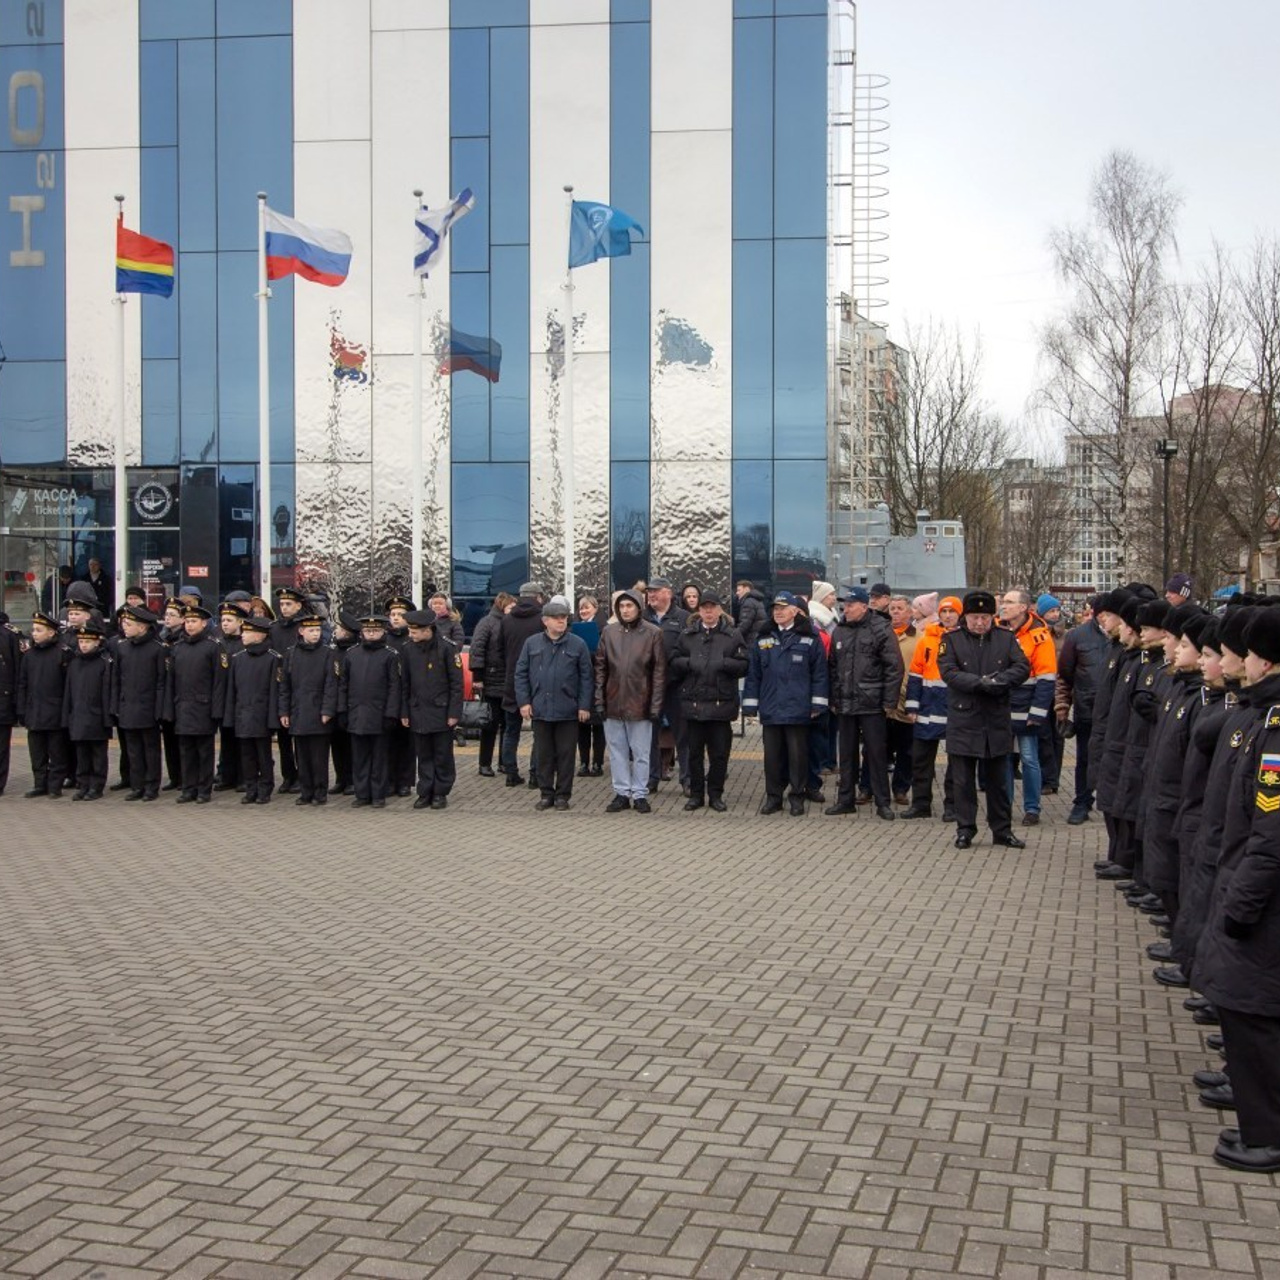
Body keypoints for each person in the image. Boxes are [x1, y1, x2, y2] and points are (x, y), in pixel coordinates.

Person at [1196, 607, 1280, 1173]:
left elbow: (1271, 834)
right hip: (1244, 883)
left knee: (1251, 1010)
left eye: (1245, 652)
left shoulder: (1275, 730)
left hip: (1260, 899)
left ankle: (1268, 1134)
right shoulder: (1262, 716)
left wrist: (1239, 904)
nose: (1236, 660)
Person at [937, 591, 1030, 849]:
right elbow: (948, 671)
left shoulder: (1006, 639)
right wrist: (979, 683)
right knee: (963, 782)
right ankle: (965, 829)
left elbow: (1022, 667)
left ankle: (1002, 830)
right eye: (975, 617)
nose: (980, 622)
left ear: (993, 617)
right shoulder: (951, 640)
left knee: (998, 782)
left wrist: (999, 681)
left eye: (985, 617)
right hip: (964, 718)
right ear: (965, 617)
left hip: (995, 719)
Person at [743, 591, 829, 816]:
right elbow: (754, 674)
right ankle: (773, 797)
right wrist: (750, 706)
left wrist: (817, 705)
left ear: (794, 611)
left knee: (798, 757)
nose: (778, 612)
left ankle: (797, 797)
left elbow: (820, 675)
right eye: (775, 609)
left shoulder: (810, 638)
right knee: (772, 758)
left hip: (798, 709)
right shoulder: (763, 638)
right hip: (771, 709)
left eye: (783, 608)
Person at [825, 586, 902, 819]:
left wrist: (889, 702)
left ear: (863, 606)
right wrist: (833, 698)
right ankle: (845, 799)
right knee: (846, 754)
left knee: (876, 754)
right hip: (845, 703)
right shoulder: (840, 630)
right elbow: (832, 668)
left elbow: (894, 667)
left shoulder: (880, 629)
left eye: (850, 605)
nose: (845, 609)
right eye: (844, 605)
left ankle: (882, 802)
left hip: (872, 703)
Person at [672, 591, 749, 812]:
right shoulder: (687, 635)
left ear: (719, 610)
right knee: (694, 754)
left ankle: (716, 794)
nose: (707, 611)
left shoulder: (732, 635)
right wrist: (689, 663)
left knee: (719, 754)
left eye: (712, 607)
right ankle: (696, 795)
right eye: (704, 607)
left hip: (720, 704)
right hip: (694, 704)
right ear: (699, 610)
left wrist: (724, 663)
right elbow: (674, 661)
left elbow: (744, 665)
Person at [514, 596, 593, 811]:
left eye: (564, 618)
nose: (561, 622)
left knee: (566, 755)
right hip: (540, 709)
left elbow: (587, 677)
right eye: (556, 618)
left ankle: (563, 796)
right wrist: (524, 702)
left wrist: (584, 705)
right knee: (544, 754)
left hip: (568, 710)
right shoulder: (532, 644)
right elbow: (520, 674)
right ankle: (546, 793)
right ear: (545, 621)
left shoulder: (578, 644)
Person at [595, 588, 666, 813]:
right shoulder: (609, 632)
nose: (625, 610)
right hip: (613, 700)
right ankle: (622, 793)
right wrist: (599, 700)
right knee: (617, 751)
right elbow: (600, 668)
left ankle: (640, 793)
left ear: (638, 607)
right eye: (622, 606)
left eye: (630, 606)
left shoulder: (653, 633)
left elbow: (659, 672)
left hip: (641, 702)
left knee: (642, 752)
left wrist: (655, 705)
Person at [998, 589, 1056, 826]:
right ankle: (1005, 806)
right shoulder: (998, 630)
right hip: (1002, 706)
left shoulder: (1039, 636)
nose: (1003, 606)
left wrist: (1038, 711)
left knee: (1029, 758)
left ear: (1023, 608)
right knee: (1004, 759)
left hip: (1025, 706)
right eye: (1003, 602)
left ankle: (1032, 808)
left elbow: (1046, 677)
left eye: (1009, 602)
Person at [1055, 591, 1114, 824]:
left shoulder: (1122, 638)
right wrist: (1062, 707)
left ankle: (1109, 800)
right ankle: (1082, 801)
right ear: (1097, 615)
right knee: (1085, 758)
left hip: (1115, 712)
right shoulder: (1078, 637)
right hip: (1087, 708)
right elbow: (1065, 675)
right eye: (1105, 614)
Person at [902, 595, 961, 820]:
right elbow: (915, 674)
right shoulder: (927, 640)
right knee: (921, 761)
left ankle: (952, 806)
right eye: (944, 612)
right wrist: (912, 707)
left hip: (955, 708)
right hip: (928, 706)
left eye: (952, 612)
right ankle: (920, 804)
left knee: (956, 763)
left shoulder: (964, 639)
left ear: (959, 614)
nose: (947, 616)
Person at [400, 609, 464, 809]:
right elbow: (405, 684)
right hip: (418, 710)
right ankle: (425, 791)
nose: (412, 635)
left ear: (427, 630)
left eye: (415, 632)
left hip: (441, 710)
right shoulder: (408, 649)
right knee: (424, 754)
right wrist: (404, 711)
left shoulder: (447, 648)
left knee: (442, 754)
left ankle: (440, 792)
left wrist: (454, 713)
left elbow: (457, 684)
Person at [339, 616, 403, 809]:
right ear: (362, 632)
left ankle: (378, 794)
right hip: (356, 714)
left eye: (376, 630)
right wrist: (342, 710)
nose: (372, 634)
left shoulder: (390, 655)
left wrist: (391, 714)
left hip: (380, 715)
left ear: (383, 631)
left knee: (379, 758)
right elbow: (343, 685)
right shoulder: (351, 654)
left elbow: (394, 687)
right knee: (359, 758)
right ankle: (362, 794)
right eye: (368, 630)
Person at [168, 604, 227, 804]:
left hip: (204, 707)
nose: (190, 625)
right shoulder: (178, 647)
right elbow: (172, 681)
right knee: (186, 751)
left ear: (204, 623)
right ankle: (188, 788)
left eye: (194, 621)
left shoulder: (213, 646)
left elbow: (219, 682)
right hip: (183, 706)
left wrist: (216, 711)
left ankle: (204, 789)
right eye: (187, 621)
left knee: (204, 752)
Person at [280, 612, 339, 806]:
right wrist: (284, 711)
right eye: (311, 630)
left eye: (318, 630)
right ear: (301, 631)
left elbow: (332, 685)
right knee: (302, 755)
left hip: (318, 711)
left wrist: (327, 711)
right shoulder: (291, 654)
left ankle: (320, 791)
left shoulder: (328, 654)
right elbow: (285, 686)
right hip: (298, 711)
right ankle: (306, 791)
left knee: (319, 757)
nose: (315, 634)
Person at [113, 603, 170, 802]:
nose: (124, 627)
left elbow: (162, 682)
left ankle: (151, 786)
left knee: (150, 750)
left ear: (143, 627)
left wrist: (159, 709)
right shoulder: (122, 648)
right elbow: (117, 679)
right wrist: (116, 706)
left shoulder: (157, 649)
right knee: (133, 750)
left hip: (148, 707)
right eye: (123, 623)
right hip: (128, 706)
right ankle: (137, 786)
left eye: (129, 624)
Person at [223, 615, 282, 804]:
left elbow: (275, 692)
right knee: (246, 756)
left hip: (262, 715)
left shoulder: (273, 659)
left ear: (260, 635)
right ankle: (250, 787)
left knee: (263, 755)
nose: (243, 635)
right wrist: (230, 716)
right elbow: (232, 691)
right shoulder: (238, 659)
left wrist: (273, 719)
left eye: (247, 632)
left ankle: (265, 788)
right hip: (243, 715)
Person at [498, 583, 548, 786]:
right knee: (539, 733)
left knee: (511, 731)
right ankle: (535, 775)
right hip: (539, 682)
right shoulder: (543, 619)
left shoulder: (507, 619)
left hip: (512, 681)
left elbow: (500, 649)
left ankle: (511, 773)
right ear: (538, 597)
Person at [644, 577, 690, 794]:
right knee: (649, 735)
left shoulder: (683, 618)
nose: (651, 595)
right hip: (650, 687)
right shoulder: (642, 618)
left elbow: (690, 650)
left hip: (676, 686)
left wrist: (675, 666)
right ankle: (651, 779)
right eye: (649, 592)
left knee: (683, 736)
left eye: (655, 591)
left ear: (668, 593)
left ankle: (688, 780)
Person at [17, 611, 70, 798]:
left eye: (39, 630)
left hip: (55, 711)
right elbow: (23, 684)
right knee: (37, 752)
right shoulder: (29, 655)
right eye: (33, 630)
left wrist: (65, 711)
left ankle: (55, 785)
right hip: (34, 711)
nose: (34, 633)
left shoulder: (62, 654)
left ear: (51, 633)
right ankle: (40, 783)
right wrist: (22, 709)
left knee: (56, 752)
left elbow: (68, 686)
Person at [62, 620, 114, 800]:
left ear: (97, 642)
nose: (83, 645)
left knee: (98, 755)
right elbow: (69, 692)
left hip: (97, 716)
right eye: (81, 642)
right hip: (78, 716)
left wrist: (108, 717)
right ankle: (83, 784)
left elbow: (107, 692)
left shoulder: (103, 663)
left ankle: (96, 786)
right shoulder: (75, 663)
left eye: (87, 642)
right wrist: (67, 715)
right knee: (82, 754)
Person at [468, 591, 516, 778]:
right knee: (489, 724)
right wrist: (478, 678)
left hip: (507, 680)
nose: (514, 610)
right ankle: (484, 763)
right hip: (491, 680)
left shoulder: (509, 623)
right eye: (511, 606)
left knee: (507, 724)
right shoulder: (487, 623)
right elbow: (477, 650)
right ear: (502, 606)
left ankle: (504, 762)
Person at [270, 587, 307, 793]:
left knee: (299, 736)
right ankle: (288, 776)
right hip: (280, 684)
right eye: (282, 604)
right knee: (283, 737)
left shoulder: (304, 627)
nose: (284, 608)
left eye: (288, 604)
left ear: (298, 606)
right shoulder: (274, 628)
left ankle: (303, 776)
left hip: (299, 685)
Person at [884, 595, 920, 804]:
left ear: (910, 612)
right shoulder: (881, 634)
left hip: (907, 702)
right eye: (892, 608)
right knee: (876, 749)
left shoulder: (920, 638)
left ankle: (901, 788)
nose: (895, 612)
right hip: (884, 704)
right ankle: (869, 787)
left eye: (900, 608)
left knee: (907, 751)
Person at [1035, 593, 1067, 794]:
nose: (1055, 615)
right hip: (1042, 689)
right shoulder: (1038, 633)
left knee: (1058, 735)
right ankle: (1047, 777)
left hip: (1060, 690)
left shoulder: (1066, 635)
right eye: (1050, 611)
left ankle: (1054, 777)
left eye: (1056, 610)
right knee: (1043, 735)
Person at [573, 594, 607, 776]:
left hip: (598, 681)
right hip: (581, 681)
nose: (584, 611)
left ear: (595, 608)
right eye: (581, 608)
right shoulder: (575, 628)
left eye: (587, 607)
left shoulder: (604, 628)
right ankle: (584, 762)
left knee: (599, 726)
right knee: (582, 725)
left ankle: (598, 763)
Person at [214, 603, 245, 792]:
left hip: (240, 697)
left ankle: (243, 777)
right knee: (226, 739)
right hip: (224, 697)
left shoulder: (244, 643)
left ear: (240, 622)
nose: (224, 624)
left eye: (229, 620)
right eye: (223, 620)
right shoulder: (218, 643)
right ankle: (226, 775)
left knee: (241, 739)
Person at [0, 611, 21, 798]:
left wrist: (16, 701)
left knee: (1, 745)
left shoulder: (9, 635)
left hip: (3, 697)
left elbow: (17, 670)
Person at [734, 580, 768, 648]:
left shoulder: (748, 602)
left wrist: (733, 636)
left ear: (746, 589)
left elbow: (744, 625)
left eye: (739, 590)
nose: (737, 593)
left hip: (751, 641)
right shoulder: (757, 600)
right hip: (758, 639)